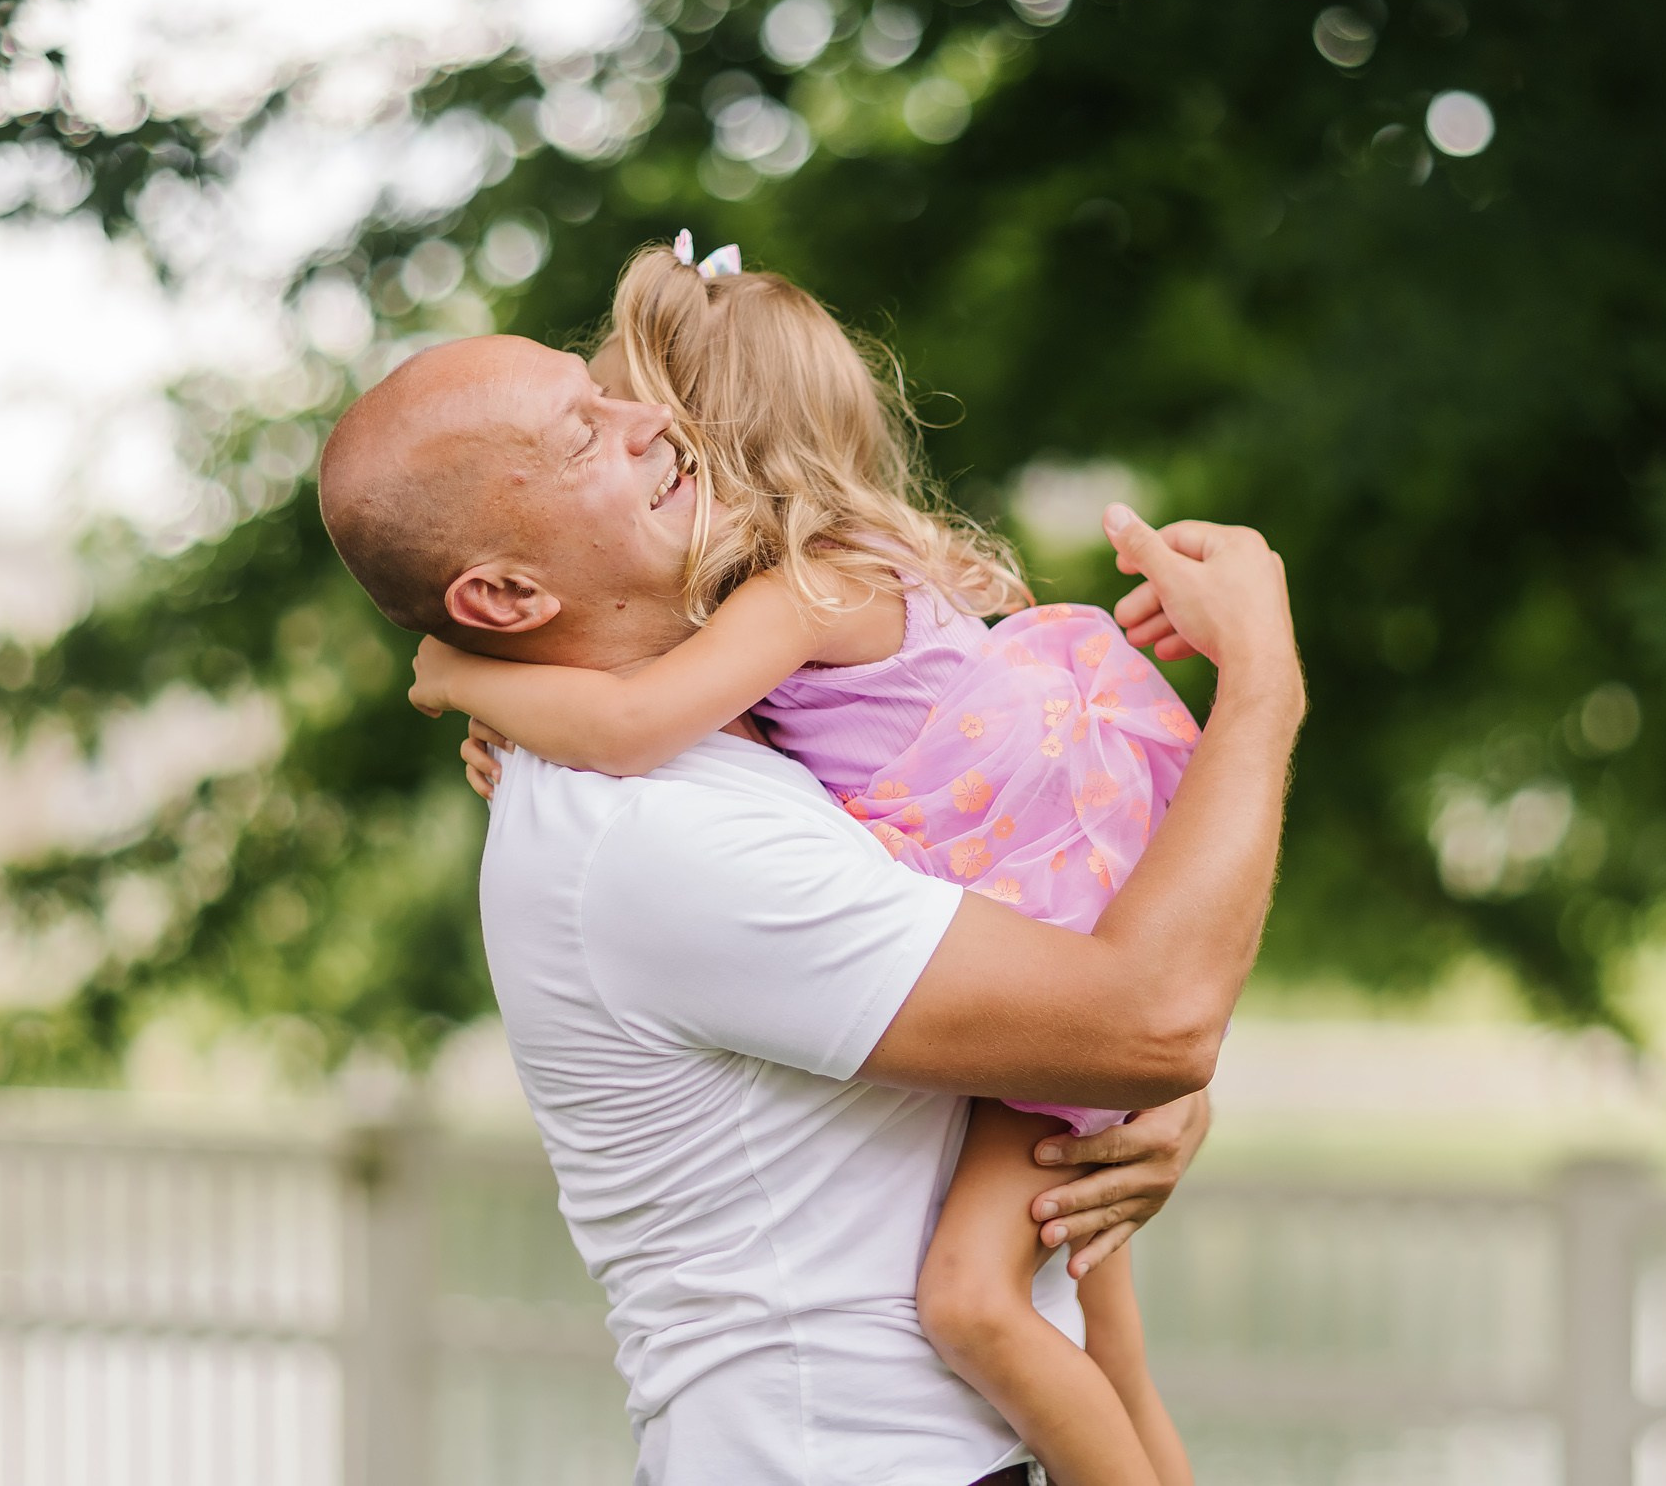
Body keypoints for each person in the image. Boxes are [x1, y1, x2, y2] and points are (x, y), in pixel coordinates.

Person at [315, 313, 1302, 1485]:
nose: (654, 420)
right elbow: (1147, 1022)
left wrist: (1148, 1102)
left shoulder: (759, 757)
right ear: (504, 594)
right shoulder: (653, 833)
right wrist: (1265, 685)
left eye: (613, 394)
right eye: (587, 434)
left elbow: (1106, 1019)